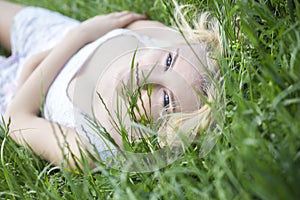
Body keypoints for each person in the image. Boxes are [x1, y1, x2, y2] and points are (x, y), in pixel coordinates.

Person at [0, 0, 221, 170]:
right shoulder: (159, 40)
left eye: (166, 99)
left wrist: (80, 36)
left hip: (15, 91)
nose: (147, 73)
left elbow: (16, 119)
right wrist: (70, 40)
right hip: (54, 36)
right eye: (169, 61)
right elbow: (128, 24)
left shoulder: (90, 150)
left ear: (166, 134)